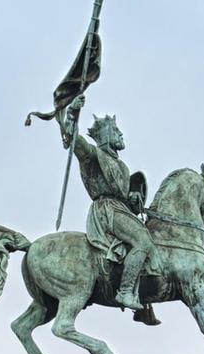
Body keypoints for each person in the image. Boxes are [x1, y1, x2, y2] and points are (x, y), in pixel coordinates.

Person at [57, 95, 155, 313]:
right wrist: (72, 112)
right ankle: (125, 291)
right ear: (106, 134)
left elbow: (124, 194)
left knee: (149, 239)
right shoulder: (93, 155)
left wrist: (133, 199)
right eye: (116, 131)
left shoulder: (121, 165)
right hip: (106, 211)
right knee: (143, 242)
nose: (121, 134)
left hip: (119, 208)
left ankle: (145, 302)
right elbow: (73, 136)